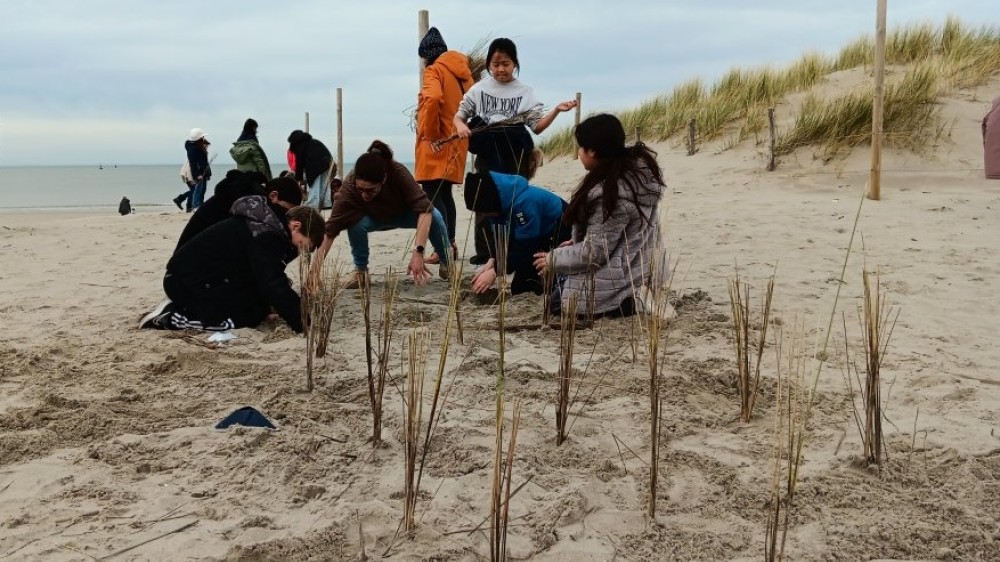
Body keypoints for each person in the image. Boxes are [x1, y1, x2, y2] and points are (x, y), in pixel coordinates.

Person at [453, 37, 577, 263]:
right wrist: (461, 127)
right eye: (495, 64)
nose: (501, 69)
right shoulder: (479, 89)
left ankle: (510, 252)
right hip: (488, 150)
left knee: (515, 201)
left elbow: (536, 127)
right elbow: (459, 116)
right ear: (489, 65)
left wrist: (557, 110)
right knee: (484, 202)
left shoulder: (525, 91)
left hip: (515, 151)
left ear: (515, 64)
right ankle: (485, 255)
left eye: (506, 64)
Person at [532, 114, 666, 319]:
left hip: (626, 278)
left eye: (581, 147)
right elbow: (615, 236)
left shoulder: (610, 192)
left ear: (592, 151)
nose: (579, 153)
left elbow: (595, 252)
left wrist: (554, 259)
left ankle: (629, 301)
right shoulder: (636, 177)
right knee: (559, 289)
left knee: (559, 302)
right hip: (642, 268)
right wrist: (574, 244)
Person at [139, 202, 325, 333]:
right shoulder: (267, 234)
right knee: (241, 318)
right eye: (304, 245)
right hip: (183, 282)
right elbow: (272, 283)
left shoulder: (268, 224)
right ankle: (169, 316)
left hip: (197, 276)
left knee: (258, 308)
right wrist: (302, 322)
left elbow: (262, 276)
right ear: (296, 226)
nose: (300, 251)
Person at [310, 140, 451, 288]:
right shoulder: (349, 187)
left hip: (404, 214)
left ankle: (446, 262)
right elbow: (329, 231)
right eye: (360, 190)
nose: (364, 195)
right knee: (354, 222)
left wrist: (418, 253)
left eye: (370, 190)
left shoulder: (398, 173)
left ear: (383, 179)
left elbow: (425, 210)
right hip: (373, 218)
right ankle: (361, 272)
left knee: (435, 215)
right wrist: (314, 272)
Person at [414, 27, 475, 265]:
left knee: (431, 195)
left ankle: (444, 247)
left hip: (438, 141)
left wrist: (428, 135)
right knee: (445, 193)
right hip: (458, 140)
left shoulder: (434, 71)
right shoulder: (462, 73)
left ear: (426, 55)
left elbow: (432, 99)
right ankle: (450, 245)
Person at [463, 164, 570, 296]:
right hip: (534, 235)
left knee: (532, 285)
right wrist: (493, 259)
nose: (484, 215)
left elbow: (525, 247)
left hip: (560, 229)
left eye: (484, 211)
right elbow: (499, 236)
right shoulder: (497, 207)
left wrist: (496, 270)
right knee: (520, 288)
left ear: (491, 203)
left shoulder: (523, 203)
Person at [175, 172, 301, 252]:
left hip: (188, 255)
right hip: (191, 261)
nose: (284, 214)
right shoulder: (252, 204)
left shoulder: (242, 194)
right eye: (285, 209)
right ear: (273, 196)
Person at [287, 130, 333, 209]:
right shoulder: (313, 141)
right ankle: (326, 204)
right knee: (324, 184)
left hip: (315, 165)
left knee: (314, 185)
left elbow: (299, 162)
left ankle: (312, 206)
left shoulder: (299, 146)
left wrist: (299, 178)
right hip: (327, 162)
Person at [185, 128, 213, 210]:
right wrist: (197, 175)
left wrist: (208, 173)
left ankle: (200, 205)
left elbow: (204, 161)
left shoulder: (198, 146)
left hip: (203, 171)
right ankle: (196, 206)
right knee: (198, 190)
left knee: (202, 189)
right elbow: (193, 163)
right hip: (199, 174)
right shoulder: (192, 149)